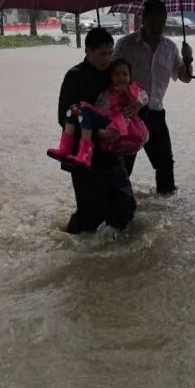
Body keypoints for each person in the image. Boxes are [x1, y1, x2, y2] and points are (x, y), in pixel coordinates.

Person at [56, 28, 136, 234]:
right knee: (90, 215)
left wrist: (131, 107)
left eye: (110, 53)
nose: (107, 58)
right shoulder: (74, 77)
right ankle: (68, 235)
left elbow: (129, 96)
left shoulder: (113, 75)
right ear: (88, 51)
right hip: (84, 154)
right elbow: (64, 117)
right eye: (102, 53)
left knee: (125, 205)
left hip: (111, 151)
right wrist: (99, 133)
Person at [113, 0, 195, 195]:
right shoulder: (126, 45)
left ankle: (166, 209)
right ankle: (119, 208)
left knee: (165, 166)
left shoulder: (170, 48)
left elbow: (185, 78)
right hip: (128, 115)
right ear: (143, 19)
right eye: (153, 22)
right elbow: (111, 76)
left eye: (162, 22)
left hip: (156, 115)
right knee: (122, 168)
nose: (158, 27)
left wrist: (188, 59)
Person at [48, 58, 149, 169]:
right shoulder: (107, 92)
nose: (121, 77)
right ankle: (65, 148)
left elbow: (143, 99)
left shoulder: (133, 88)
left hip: (120, 122)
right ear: (111, 77)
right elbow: (100, 106)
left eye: (125, 74)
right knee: (74, 110)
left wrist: (133, 101)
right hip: (108, 118)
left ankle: (85, 153)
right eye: (116, 74)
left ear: (130, 77)